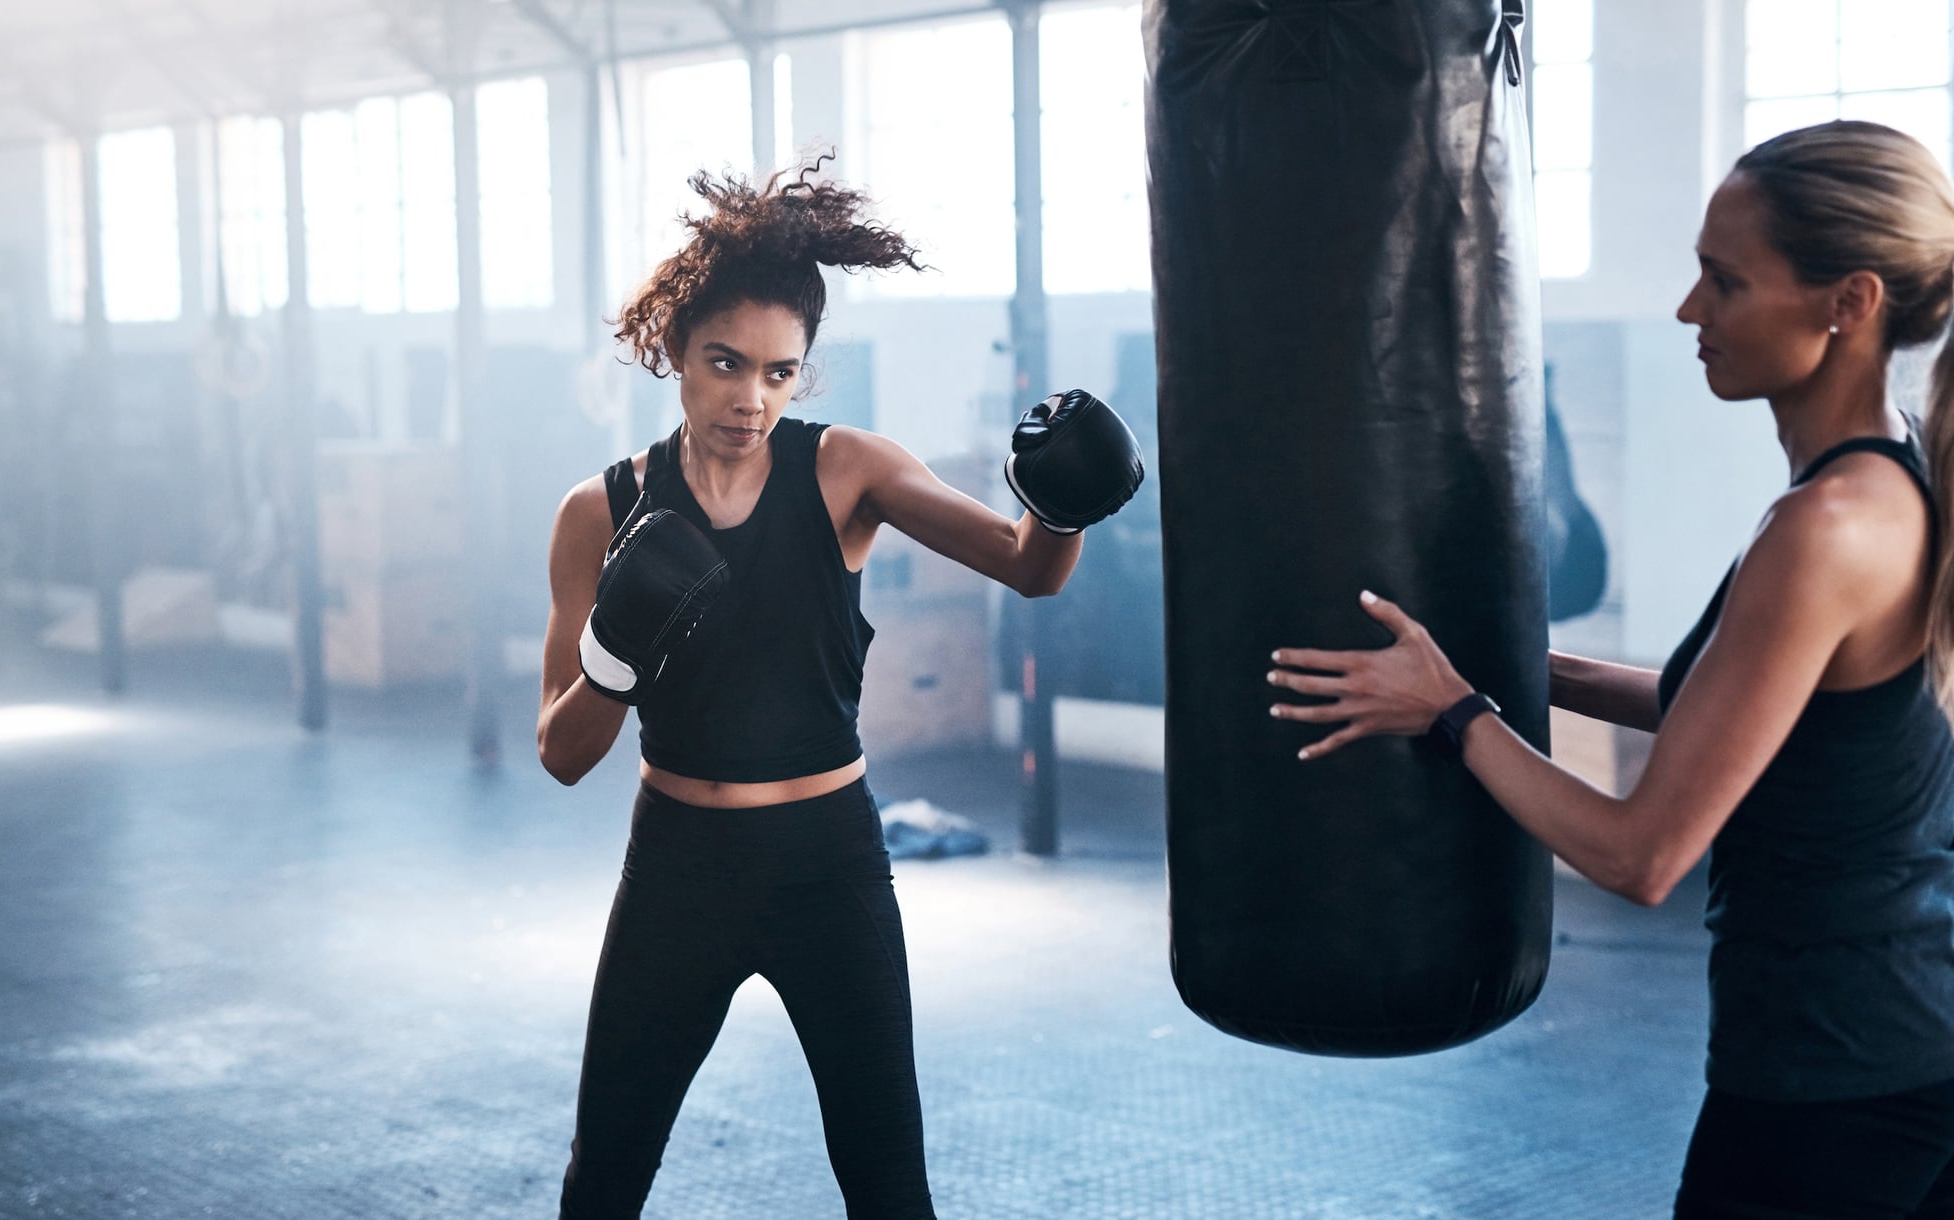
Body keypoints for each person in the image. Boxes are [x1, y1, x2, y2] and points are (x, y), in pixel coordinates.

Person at [1266, 120, 1954, 1216]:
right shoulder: (1890, 477)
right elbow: (1748, 721)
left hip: (1835, 1079)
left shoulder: (1822, 528)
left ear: (1848, 301)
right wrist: (1519, 670)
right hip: (1895, 1048)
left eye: (1722, 283)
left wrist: (1452, 713)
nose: (1689, 311)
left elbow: (1639, 855)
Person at [535, 156, 1144, 1220]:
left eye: (779, 371)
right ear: (675, 345)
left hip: (830, 867)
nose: (750, 396)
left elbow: (1024, 566)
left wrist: (1062, 507)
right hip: (677, 867)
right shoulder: (601, 509)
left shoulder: (845, 469)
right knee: (603, 1179)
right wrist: (616, 652)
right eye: (726, 363)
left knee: (888, 1189)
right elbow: (560, 749)